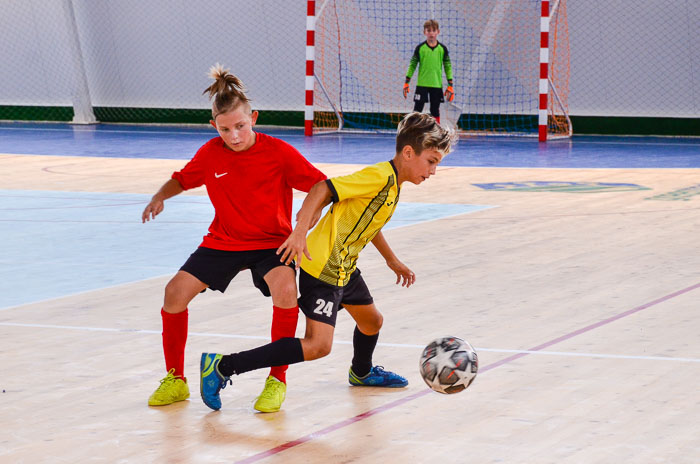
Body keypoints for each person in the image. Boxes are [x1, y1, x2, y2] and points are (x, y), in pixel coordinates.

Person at [200, 112, 456, 411]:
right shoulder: (379, 177)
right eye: (432, 161)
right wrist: (299, 232)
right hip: (323, 268)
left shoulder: (393, 184)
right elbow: (321, 188)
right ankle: (223, 366)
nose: (434, 170)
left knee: (372, 321)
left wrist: (392, 261)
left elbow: (369, 223)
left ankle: (361, 372)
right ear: (409, 153)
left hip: (344, 267)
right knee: (318, 346)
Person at [142, 64, 326, 413]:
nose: (235, 136)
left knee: (286, 291)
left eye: (240, 126)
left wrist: (300, 228)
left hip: (272, 242)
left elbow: (321, 186)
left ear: (253, 118)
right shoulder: (211, 153)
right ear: (214, 126)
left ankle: (277, 379)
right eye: (225, 129)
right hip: (224, 240)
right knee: (173, 294)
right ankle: (175, 380)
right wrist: (160, 195)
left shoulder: (278, 152)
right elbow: (182, 179)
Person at [403, 19, 454, 124]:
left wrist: (450, 84)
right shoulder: (420, 48)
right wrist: (407, 81)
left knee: (435, 110)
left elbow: (447, 66)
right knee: (417, 109)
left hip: (436, 85)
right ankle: (413, 131)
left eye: (434, 30)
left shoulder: (442, 49)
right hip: (422, 84)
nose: (431, 33)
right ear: (424, 32)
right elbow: (412, 65)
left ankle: (436, 132)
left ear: (438, 32)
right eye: (429, 30)